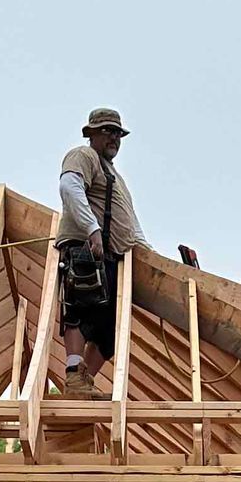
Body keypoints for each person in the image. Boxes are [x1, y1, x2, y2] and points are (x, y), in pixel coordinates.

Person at [57, 108, 151, 391]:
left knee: (109, 327)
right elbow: (69, 187)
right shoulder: (83, 156)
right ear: (92, 134)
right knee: (79, 306)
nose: (114, 138)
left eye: (118, 133)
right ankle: (74, 371)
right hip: (85, 249)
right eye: (108, 131)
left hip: (112, 256)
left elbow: (130, 224)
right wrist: (92, 230)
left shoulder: (116, 177)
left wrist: (149, 255)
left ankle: (83, 380)